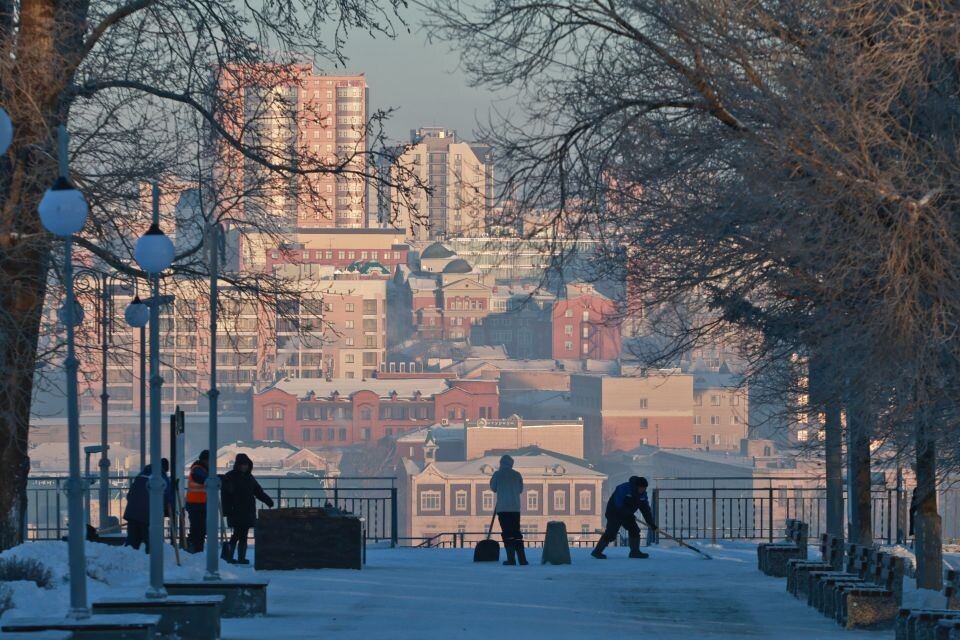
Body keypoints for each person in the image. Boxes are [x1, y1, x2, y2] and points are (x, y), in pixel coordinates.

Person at [221, 453, 274, 564]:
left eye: (246, 465)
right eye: (243, 465)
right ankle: (231, 557)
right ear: (238, 465)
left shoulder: (249, 477)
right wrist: (227, 511)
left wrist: (268, 500)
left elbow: (258, 492)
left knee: (243, 534)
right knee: (237, 534)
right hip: (235, 510)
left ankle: (240, 558)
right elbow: (225, 495)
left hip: (247, 510)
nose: (245, 467)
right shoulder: (230, 476)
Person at [592, 476, 657, 560]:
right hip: (614, 512)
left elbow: (645, 509)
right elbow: (618, 503)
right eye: (641, 488)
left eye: (644, 488)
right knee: (611, 533)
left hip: (627, 514)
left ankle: (635, 552)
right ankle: (597, 552)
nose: (643, 490)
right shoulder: (623, 488)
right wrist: (627, 513)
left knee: (634, 530)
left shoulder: (642, 494)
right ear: (637, 486)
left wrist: (651, 523)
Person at [123, 459, 174, 552]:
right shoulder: (160, 478)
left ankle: (126, 561)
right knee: (152, 543)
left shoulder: (140, 475)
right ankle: (152, 563)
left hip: (132, 513)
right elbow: (167, 497)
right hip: (148, 515)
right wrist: (168, 508)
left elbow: (129, 495)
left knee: (132, 542)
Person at [490, 454, 527, 566]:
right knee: (516, 533)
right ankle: (522, 559)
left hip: (503, 509)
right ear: (511, 464)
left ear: (501, 463)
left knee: (507, 534)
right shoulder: (517, 475)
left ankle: (511, 559)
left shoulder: (497, 474)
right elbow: (520, 490)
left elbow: (493, 488)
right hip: (515, 509)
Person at [185, 449, 210, 553]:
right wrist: (217, 478)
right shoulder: (197, 469)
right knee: (196, 529)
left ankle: (198, 549)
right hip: (195, 504)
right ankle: (193, 549)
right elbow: (203, 479)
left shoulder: (203, 469)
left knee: (201, 529)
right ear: (205, 460)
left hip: (201, 504)